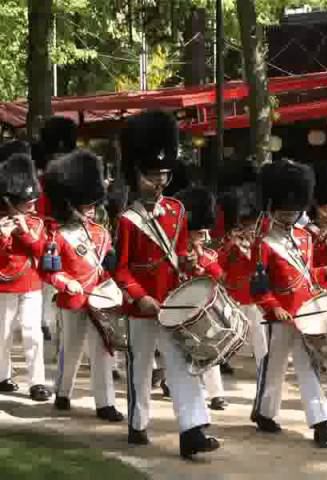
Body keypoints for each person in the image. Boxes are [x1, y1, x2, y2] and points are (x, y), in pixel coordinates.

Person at [115, 110, 217, 458]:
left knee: (182, 364)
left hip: (172, 302)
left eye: (163, 174)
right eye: (151, 175)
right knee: (140, 367)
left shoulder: (177, 210)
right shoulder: (127, 220)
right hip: (142, 307)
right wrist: (140, 297)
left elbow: (183, 251)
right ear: (136, 174)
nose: (159, 181)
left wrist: (189, 262)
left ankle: (193, 430)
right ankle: (137, 422)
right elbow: (122, 270)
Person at [250, 160, 327, 448]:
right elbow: (258, 286)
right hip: (279, 314)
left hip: (305, 312)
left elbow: (305, 275)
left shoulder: (305, 237)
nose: (289, 218)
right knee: (274, 364)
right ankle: (265, 412)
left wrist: (323, 273)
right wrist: (271, 306)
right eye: (284, 212)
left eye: (293, 212)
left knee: (307, 366)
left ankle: (321, 422)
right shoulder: (262, 242)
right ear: (273, 208)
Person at [42, 150, 123, 422]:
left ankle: (105, 403)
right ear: (72, 204)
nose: (91, 210)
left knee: (102, 349)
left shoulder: (102, 232)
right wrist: (67, 283)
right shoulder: (59, 235)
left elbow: (109, 262)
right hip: (73, 299)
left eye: (92, 206)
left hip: (98, 298)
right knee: (72, 348)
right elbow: (50, 272)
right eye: (86, 206)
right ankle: (63, 391)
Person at [0, 153, 50, 401]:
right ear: (10, 200)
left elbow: (41, 249)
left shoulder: (36, 223)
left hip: (30, 284)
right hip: (4, 286)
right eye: (25, 201)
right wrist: (4, 236)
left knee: (33, 333)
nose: (31, 204)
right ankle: (2, 375)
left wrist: (24, 232)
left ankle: (37, 381)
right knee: (3, 333)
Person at [175, 186, 228, 411]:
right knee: (180, 353)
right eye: (199, 233)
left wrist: (199, 260)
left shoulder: (208, 255)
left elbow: (218, 276)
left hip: (201, 309)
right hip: (179, 308)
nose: (204, 238)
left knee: (208, 348)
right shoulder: (175, 255)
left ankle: (216, 394)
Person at [35, 117, 78, 344]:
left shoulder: (75, 179)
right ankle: (45, 321)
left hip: (71, 235)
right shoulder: (42, 182)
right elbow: (39, 211)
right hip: (49, 234)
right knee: (46, 283)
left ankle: (61, 326)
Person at [217, 184, 268, 368]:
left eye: (253, 225)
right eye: (247, 225)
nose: (251, 229)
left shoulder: (260, 242)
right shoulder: (232, 243)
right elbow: (221, 265)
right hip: (235, 294)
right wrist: (233, 247)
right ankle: (223, 360)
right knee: (231, 330)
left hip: (253, 294)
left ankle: (263, 363)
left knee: (258, 332)